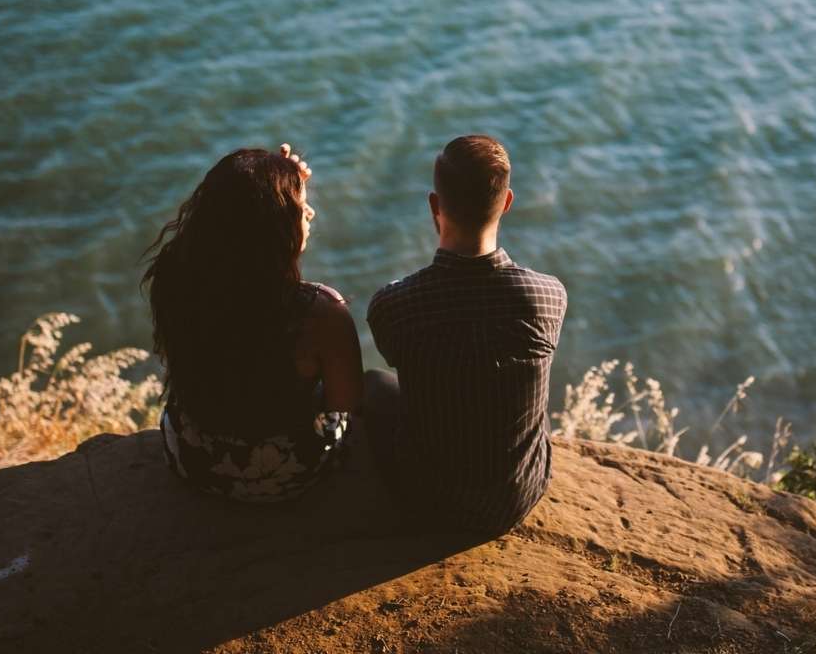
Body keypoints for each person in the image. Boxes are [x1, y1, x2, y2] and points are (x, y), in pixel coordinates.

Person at [365, 135, 568, 535]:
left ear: (435, 207)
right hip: (515, 499)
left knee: (373, 384)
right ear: (507, 202)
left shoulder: (393, 305)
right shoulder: (548, 296)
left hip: (428, 501)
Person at [142, 144, 362, 502]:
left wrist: (276, 177)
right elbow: (346, 400)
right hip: (286, 474)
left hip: (194, 458)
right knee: (380, 390)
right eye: (300, 209)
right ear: (277, 231)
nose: (310, 212)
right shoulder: (319, 311)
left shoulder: (174, 280)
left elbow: (174, 357)